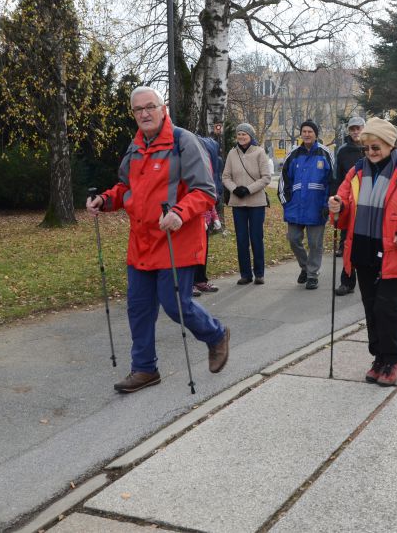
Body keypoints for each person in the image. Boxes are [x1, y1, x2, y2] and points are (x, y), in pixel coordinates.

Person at [87, 86, 230, 393]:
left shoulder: (183, 141)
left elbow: (206, 191)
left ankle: (215, 335)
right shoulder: (135, 148)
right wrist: (105, 200)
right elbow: (126, 189)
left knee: (175, 304)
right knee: (138, 308)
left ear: (163, 108)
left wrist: (180, 212)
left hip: (175, 240)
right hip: (141, 243)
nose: (144, 113)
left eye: (150, 106)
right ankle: (144, 369)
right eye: (138, 110)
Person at [328, 117, 397, 387]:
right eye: (366, 148)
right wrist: (337, 207)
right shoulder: (356, 172)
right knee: (370, 307)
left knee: (386, 307)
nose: (370, 152)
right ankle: (378, 358)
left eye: (375, 147)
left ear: (389, 144)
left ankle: (393, 359)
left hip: (394, 250)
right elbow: (343, 212)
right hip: (363, 248)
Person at [279, 120, 333, 289]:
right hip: (295, 207)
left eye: (310, 131)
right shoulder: (293, 154)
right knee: (294, 239)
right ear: (301, 134)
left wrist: (328, 204)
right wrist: (286, 203)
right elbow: (283, 180)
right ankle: (305, 266)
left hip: (317, 207)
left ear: (316, 134)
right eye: (304, 131)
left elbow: (332, 181)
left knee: (315, 243)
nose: (307, 134)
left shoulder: (325, 153)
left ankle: (312, 275)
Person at [222, 123, 271, 286]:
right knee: (241, 239)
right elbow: (225, 176)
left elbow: (266, 178)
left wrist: (248, 190)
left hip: (256, 203)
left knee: (256, 238)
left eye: (244, 134)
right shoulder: (232, 153)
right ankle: (245, 274)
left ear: (251, 136)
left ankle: (259, 273)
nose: (241, 137)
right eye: (239, 134)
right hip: (238, 203)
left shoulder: (259, 152)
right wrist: (234, 189)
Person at [332, 116, 366, 295]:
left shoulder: (370, 147)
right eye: (352, 129)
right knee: (347, 244)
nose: (355, 132)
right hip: (349, 202)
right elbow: (338, 177)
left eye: (358, 128)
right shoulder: (343, 151)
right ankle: (347, 281)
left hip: (369, 201)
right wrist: (336, 198)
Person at [193, 134, 224, 295]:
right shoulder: (188, 161)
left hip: (203, 213)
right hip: (189, 214)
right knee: (190, 250)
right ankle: (188, 282)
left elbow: (210, 188)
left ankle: (200, 280)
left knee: (202, 248)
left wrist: (214, 215)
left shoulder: (210, 163)